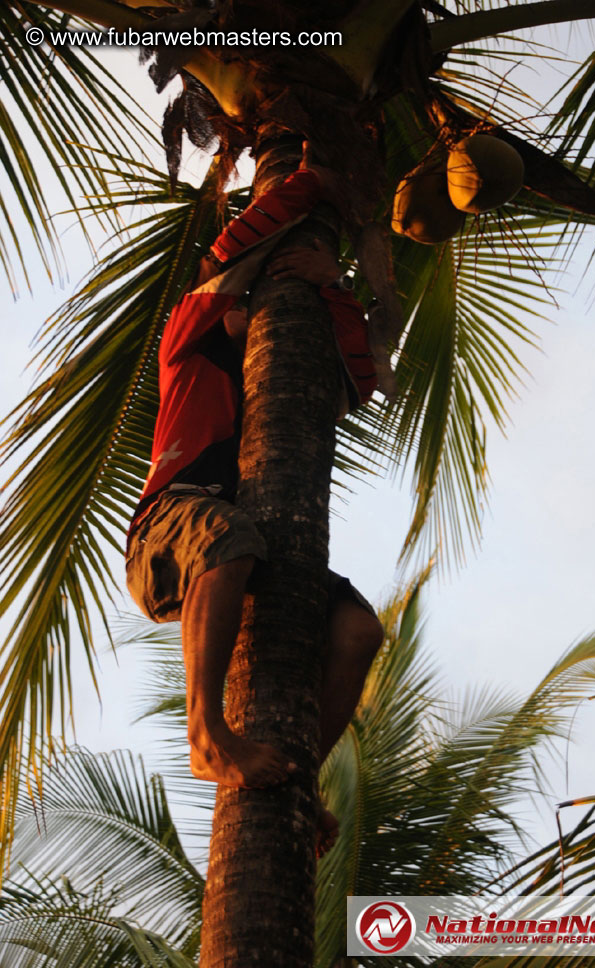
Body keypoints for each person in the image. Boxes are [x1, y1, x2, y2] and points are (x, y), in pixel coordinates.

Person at [125, 158, 383, 827]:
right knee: (225, 537)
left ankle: (302, 779)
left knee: (358, 632)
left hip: (251, 547)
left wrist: (333, 285)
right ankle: (206, 736)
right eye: (255, 301)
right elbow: (230, 251)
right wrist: (312, 173)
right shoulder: (189, 343)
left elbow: (358, 381)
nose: (262, 312)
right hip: (171, 527)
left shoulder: (283, 389)